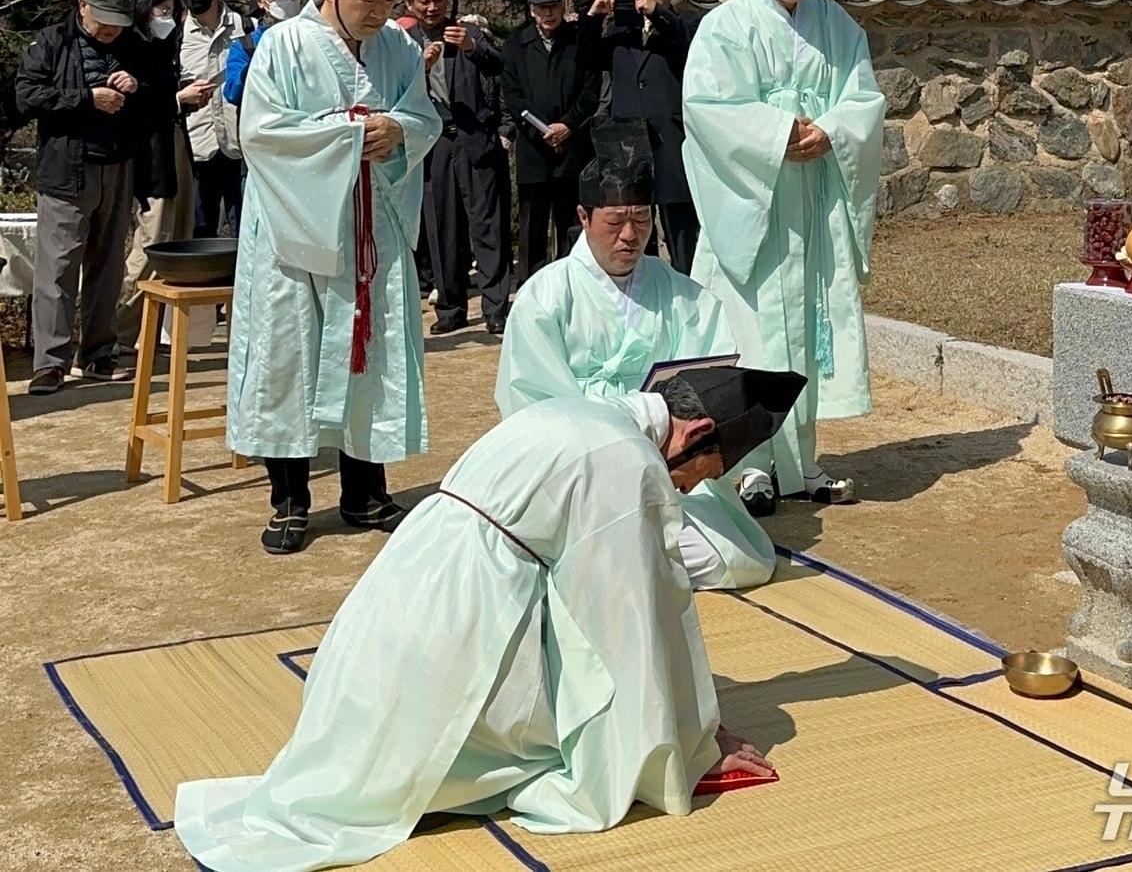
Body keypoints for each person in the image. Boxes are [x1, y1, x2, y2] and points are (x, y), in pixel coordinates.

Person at [174, 366, 800, 871]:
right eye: (701, 476)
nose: (689, 492)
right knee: (567, 744)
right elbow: (636, 616)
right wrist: (690, 740)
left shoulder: (581, 411)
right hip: (459, 625)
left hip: (397, 597)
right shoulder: (627, 459)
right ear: (695, 433)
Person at [226, 0, 441, 554]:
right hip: (297, 232)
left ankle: (365, 491)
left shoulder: (398, 46)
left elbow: (424, 114)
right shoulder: (285, 44)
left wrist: (398, 129)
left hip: (372, 227)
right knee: (289, 355)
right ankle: (290, 500)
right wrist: (351, 135)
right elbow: (260, 133)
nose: (376, 12)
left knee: (368, 353)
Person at [682, 0, 885, 516]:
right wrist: (775, 135)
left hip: (813, 202)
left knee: (806, 333)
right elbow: (706, 108)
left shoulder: (835, 25)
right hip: (754, 204)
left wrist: (831, 130)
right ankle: (750, 469)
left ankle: (801, 465)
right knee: (755, 335)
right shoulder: (726, 28)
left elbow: (864, 99)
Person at [496, 119, 774, 589]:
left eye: (642, 219)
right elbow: (532, 408)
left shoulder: (683, 295)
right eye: (615, 221)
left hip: (667, 468)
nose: (630, 235)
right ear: (583, 217)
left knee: (743, 560)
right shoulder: (545, 296)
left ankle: (614, 562)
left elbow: (714, 382)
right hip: (578, 476)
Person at [14, 0, 149, 394]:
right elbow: (26, 96)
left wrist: (137, 85)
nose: (109, 31)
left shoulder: (132, 44)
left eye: (117, 23)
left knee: (108, 266)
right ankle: (49, 363)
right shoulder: (51, 42)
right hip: (66, 169)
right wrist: (88, 98)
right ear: (82, 5)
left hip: (118, 163)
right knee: (57, 269)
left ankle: (97, 354)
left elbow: (159, 91)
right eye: (103, 21)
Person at [404, 0, 512, 335]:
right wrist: (422, 65)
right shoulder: (402, 43)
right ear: (410, 5)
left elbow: (500, 67)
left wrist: (471, 47)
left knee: (487, 225)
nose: (432, 7)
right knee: (442, 227)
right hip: (434, 143)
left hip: (475, 139)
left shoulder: (468, 31)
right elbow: (394, 90)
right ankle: (450, 307)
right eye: (424, 1)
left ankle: (496, 306)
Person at [580, 0, 701, 273]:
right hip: (629, 144)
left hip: (671, 139)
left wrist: (655, 12)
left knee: (681, 228)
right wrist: (594, 16)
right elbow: (586, 57)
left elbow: (685, 45)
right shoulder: (622, 29)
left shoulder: (686, 24)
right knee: (632, 220)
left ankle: (686, 289)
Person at [115, 0, 212, 348]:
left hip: (175, 145)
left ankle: (150, 332)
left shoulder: (164, 45)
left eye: (172, 10)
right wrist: (177, 98)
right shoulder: (128, 47)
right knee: (152, 241)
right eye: (161, 10)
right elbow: (135, 102)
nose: (167, 17)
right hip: (149, 156)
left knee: (177, 235)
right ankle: (119, 330)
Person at [500, 0, 600, 280]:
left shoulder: (578, 41)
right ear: (532, 11)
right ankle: (531, 284)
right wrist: (541, 130)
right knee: (533, 225)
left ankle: (575, 282)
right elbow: (513, 95)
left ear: (562, 6)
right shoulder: (516, 45)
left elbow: (590, 89)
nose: (549, 14)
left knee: (571, 220)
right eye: (542, 9)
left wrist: (567, 125)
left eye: (554, 7)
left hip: (572, 147)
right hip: (535, 148)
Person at [175, 0, 250, 238]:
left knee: (244, 228)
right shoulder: (176, 36)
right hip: (196, 145)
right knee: (198, 230)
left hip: (240, 144)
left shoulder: (248, 27)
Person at [222, 0, 303, 108]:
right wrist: (256, 65)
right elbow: (232, 94)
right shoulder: (246, 46)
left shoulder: (312, 36)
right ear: (261, 1)